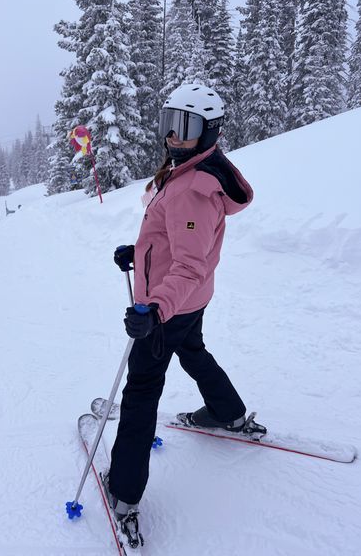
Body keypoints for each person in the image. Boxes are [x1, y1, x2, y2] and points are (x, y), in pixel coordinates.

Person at [104, 83, 264, 546]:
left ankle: (124, 491)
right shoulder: (193, 170)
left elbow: (190, 261)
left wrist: (154, 310)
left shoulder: (191, 188)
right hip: (191, 301)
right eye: (170, 123)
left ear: (208, 132)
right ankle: (227, 412)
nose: (174, 136)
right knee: (193, 350)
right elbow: (176, 244)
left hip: (169, 304)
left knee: (141, 391)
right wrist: (138, 251)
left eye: (187, 128)